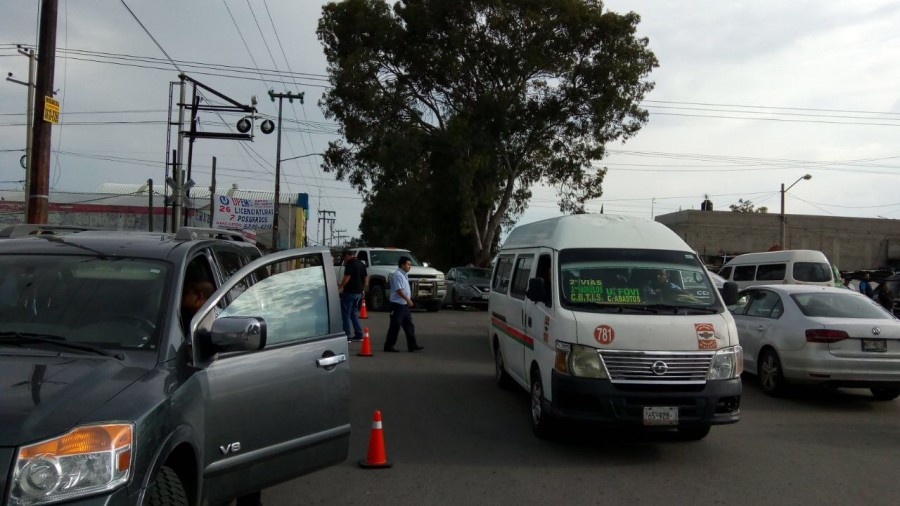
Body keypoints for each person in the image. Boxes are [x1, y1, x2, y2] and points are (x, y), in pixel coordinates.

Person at [384, 255, 424, 353]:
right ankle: (389, 346)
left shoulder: (404, 274)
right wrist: (408, 300)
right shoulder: (397, 275)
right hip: (397, 304)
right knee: (395, 325)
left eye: (410, 264)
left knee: (409, 325)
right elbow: (399, 290)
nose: (409, 266)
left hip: (404, 305)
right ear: (402, 265)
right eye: (408, 264)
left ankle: (412, 345)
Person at [338, 249, 368, 342]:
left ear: (347, 255)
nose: (344, 260)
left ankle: (347, 335)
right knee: (354, 313)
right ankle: (359, 334)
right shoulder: (361, 264)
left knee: (345, 314)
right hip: (358, 293)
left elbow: (347, 277)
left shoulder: (350, 264)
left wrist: (339, 287)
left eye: (344, 257)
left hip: (350, 292)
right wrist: (363, 289)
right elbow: (366, 278)